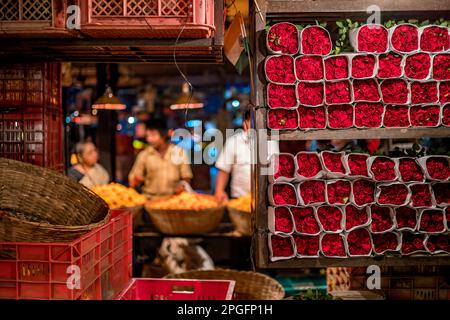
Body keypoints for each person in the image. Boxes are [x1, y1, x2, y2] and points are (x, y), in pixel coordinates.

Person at [214, 109, 278, 203]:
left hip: (265, 200)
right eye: (251, 121)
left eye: (258, 121)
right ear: (245, 123)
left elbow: (276, 171)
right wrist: (219, 191)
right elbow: (224, 170)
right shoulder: (233, 142)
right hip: (239, 199)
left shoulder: (271, 142)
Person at [128, 118, 193, 198]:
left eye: (153, 135)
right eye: (147, 136)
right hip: (149, 200)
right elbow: (133, 178)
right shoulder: (144, 155)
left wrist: (182, 186)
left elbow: (186, 176)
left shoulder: (179, 152)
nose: (149, 139)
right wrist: (136, 180)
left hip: (173, 200)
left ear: (164, 135)